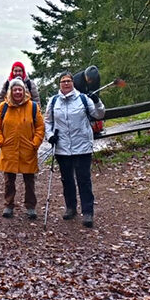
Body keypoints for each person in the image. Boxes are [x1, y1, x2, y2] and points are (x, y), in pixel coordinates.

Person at [45, 71, 105, 228]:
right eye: (63, 81)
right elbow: (48, 122)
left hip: (82, 146)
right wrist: (50, 136)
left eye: (68, 81)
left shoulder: (83, 99)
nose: (66, 83)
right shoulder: (53, 101)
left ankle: (88, 212)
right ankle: (70, 207)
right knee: (67, 180)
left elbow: (99, 114)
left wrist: (97, 101)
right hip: (62, 147)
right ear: (59, 84)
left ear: (73, 83)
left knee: (84, 180)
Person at [0, 77, 44, 218]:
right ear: (10, 91)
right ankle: (8, 205)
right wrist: (0, 141)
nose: (17, 92)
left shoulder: (33, 107)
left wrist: (35, 143)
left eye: (20, 89)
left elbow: (40, 127)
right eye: (15, 89)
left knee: (29, 181)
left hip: (28, 149)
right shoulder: (3, 106)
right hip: (9, 149)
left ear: (24, 91)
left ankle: (31, 207)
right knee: (9, 181)